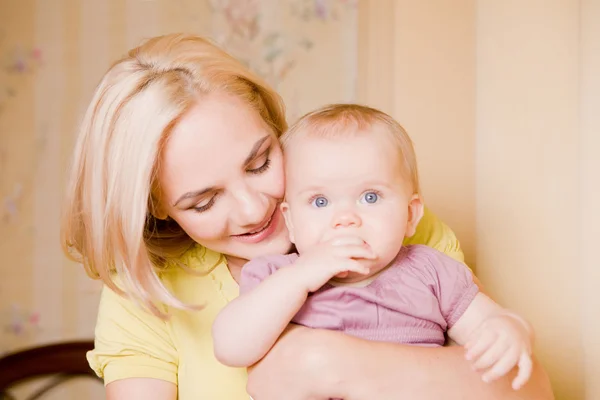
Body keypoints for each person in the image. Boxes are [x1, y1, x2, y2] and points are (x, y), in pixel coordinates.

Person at [61, 33, 553, 400]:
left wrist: (327, 363)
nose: (255, 210)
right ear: (158, 209)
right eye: (203, 201)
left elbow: (527, 389)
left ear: (276, 128)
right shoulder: (146, 287)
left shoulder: (388, 230)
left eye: (260, 163)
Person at [213, 104, 534, 393]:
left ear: (410, 215)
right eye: (320, 201)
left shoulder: (432, 272)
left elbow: (487, 326)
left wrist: (509, 329)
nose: (345, 219)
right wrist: (301, 277)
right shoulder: (276, 275)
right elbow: (231, 347)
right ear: (292, 222)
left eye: (370, 197)